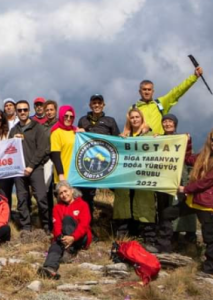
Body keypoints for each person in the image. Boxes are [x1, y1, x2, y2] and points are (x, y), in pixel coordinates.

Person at [163, 128, 213, 274]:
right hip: (193, 201)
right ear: (209, 140)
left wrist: (185, 189)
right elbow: (187, 159)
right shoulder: (203, 156)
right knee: (167, 214)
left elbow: (205, 182)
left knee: (209, 237)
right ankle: (164, 247)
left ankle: (210, 267)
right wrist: (187, 142)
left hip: (206, 205)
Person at [114, 109, 156, 249]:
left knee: (144, 205)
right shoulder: (124, 136)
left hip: (143, 176)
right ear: (129, 120)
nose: (135, 120)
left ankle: (148, 238)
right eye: (132, 117)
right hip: (126, 178)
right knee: (124, 205)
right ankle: (122, 237)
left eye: (137, 117)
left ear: (142, 118)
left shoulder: (151, 135)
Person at [76, 95, 121, 225]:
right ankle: (88, 224)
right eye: (94, 103)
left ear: (103, 105)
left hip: (107, 164)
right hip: (89, 164)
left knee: (118, 191)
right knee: (87, 196)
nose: (96, 105)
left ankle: (118, 221)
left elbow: (117, 141)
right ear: (90, 105)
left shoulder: (110, 121)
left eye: (99, 103)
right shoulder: (82, 120)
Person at [10, 100, 50, 232]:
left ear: (29, 111)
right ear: (16, 112)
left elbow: (42, 149)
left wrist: (31, 166)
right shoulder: (13, 130)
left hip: (35, 168)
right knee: (22, 199)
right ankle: (26, 226)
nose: (22, 112)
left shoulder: (37, 127)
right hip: (18, 170)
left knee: (41, 197)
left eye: (25, 110)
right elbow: (8, 150)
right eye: (19, 110)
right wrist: (13, 141)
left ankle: (46, 224)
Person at [38, 181, 92, 280]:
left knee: (67, 219)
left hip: (80, 238)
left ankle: (70, 250)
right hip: (65, 239)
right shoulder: (57, 208)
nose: (64, 195)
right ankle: (50, 268)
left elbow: (84, 225)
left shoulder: (83, 204)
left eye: (65, 191)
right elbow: (56, 224)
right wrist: (59, 236)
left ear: (71, 191)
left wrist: (73, 237)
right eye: (60, 193)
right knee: (56, 243)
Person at [159, 114, 197, 247]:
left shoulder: (182, 138)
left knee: (183, 203)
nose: (167, 124)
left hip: (181, 174)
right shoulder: (159, 138)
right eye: (165, 121)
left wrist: (188, 139)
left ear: (175, 124)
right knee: (170, 205)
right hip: (165, 176)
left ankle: (190, 233)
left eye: (170, 121)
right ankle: (172, 233)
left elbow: (188, 156)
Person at [131, 66, 204, 135]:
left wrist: (194, 77)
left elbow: (177, 92)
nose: (147, 92)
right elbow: (128, 128)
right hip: (139, 145)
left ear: (153, 91)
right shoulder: (133, 108)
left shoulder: (160, 103)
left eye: (149, 89)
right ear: (140, 92)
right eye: (144, 89)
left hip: (159, 144)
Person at [51, 106, 93, 225]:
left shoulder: (76, 131)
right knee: (63, 208)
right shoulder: (56, 132)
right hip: (63, 176)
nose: (68, 118)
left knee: (79, 206)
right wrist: (61, 175)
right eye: (66, 116)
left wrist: (85, 134)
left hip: (77, 176)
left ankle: (81, 231)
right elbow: (55, 155)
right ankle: (63, 231)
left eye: (71, 117)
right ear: (61, 116)